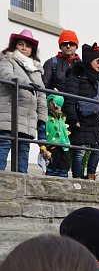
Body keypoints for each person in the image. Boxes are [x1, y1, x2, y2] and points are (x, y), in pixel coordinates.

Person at [64, 42, 99, 180]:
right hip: (80, 117)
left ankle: (91, 175)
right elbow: (70, 99)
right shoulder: (76, 75)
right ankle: (77, 178)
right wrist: (73, 119)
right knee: (79, 150)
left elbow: (94, 99)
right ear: (89, 60)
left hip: (92, 118)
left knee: (98, 148)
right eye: (98, 60)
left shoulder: (95, 78)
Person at [0, 28, 47, 174]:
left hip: (28, 119)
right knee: (4, 145)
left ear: (32, 49)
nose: (24, 48)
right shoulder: (7, 59)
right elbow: (6, 76)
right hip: (10, 113)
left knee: (23, 150)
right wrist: (26, 83)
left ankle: (22, 183)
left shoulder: (37, 68)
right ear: (15, 45)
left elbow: (41, 96)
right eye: (21, 44)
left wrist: (42, 119)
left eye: (28, 45)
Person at [40, 93, 71, 177]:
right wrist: (43, 147)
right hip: (52, 149)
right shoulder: (46, 118)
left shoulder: (62, 119)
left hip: (64, 150)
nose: (56, 107)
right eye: (54, 104)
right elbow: (42, 132)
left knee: (63, 172)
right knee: (52, 172)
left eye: (58, 105)